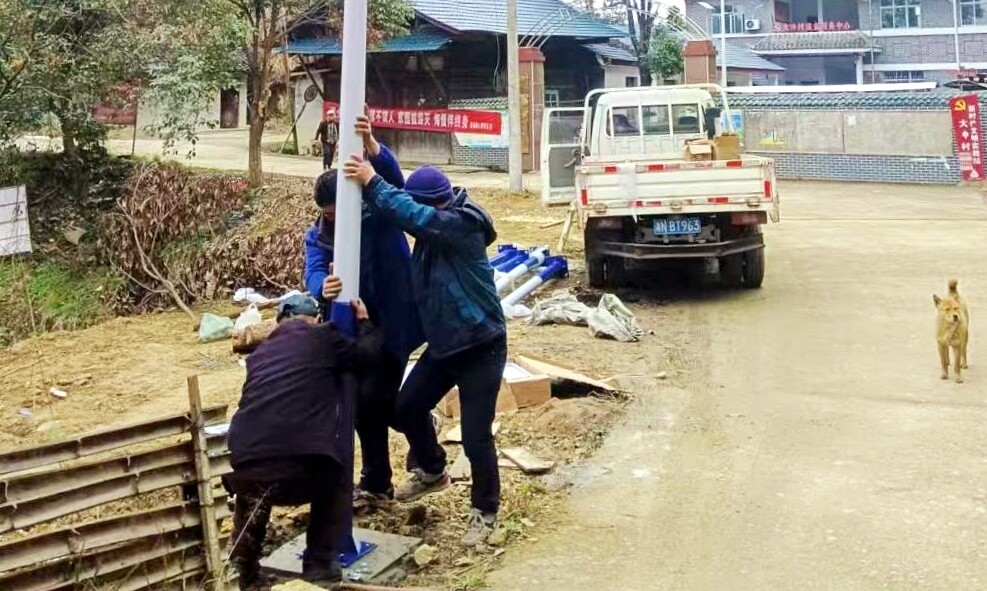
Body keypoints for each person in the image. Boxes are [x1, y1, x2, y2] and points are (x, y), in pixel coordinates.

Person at [343, 155, 507, 548]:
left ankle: (485, 512)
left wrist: (372, 182)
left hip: (481, 344)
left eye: (419, 206)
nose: (415, 214)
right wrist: (374, 150)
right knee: (403, 410)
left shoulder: (458, 225)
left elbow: (412, 214)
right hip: (446, 345)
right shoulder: (431, 235)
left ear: (434, 204)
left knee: (475, 436)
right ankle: (432, 469)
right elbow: (406, 207)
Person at [303, 114, 425, 509]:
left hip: (394, 319)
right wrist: (321, 286)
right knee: (363, 405)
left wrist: (372, 146)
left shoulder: (378, 211)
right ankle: (378, 480)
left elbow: (396, 184)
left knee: (379, 403)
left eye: (338, 209)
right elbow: (315, 265)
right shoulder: (321, 232)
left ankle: (423, 454)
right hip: (355, 328)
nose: (334, 218)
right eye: (327, 213)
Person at [225, 293, 380, 589]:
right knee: (335, 475)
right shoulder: (323, 337)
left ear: (278, 322)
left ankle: (242, 567)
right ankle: (319, 564)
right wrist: (364, 323)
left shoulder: (258, 355)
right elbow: (368, 355)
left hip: (243, 464)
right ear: (315, 320)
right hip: (301, 469)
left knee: (254, 492)